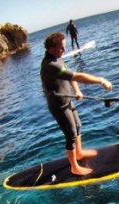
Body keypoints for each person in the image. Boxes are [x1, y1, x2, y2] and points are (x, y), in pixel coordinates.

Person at [40, 32, 113, 175]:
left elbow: (70, 75)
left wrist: (77, 90)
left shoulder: (57, 59)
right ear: (51, 48)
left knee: (78, 125)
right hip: (58, 106)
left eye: (64, 47)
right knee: (71, 134)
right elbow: (77, 76)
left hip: (67, 100)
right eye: (61, 48)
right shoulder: (50, 64)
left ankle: (79, 153)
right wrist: (100, 80)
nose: (64, 50)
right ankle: (74, 166)